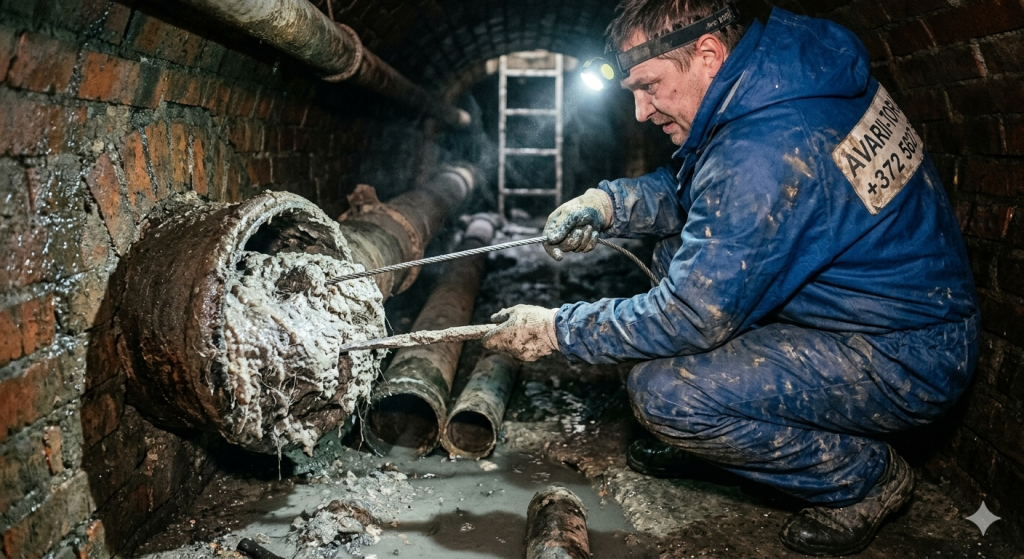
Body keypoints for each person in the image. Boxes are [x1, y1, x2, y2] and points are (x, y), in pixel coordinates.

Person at [482, 0, 979, 555]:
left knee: (665, 394)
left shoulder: (767, 148)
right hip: (857, 313)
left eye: (649, 86)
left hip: (904, 353)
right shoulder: (775, 84)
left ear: (708, 55)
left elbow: (689, 315)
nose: (641, 112)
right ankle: (716, 439)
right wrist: (608, 203)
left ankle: (864, 478)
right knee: (679, 247)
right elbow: (698, 192)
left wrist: (558, 329)